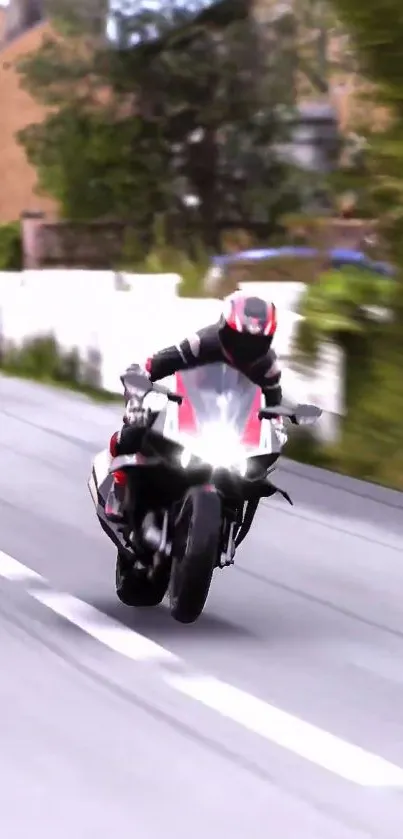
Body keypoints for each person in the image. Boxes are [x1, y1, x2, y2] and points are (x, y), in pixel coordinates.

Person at [105, 291, 283, 523]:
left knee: (261, 465)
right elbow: (151, 365)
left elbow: (274, 407)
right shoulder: (201, 344)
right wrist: (137, 393)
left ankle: (230, 517)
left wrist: (278, 430)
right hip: (186, 407)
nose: (246, 348)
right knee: (137, 425)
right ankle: (120, 486)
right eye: (240, 339)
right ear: (224, 328)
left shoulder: (268, 366)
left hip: (232, 424)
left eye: (255, 343)